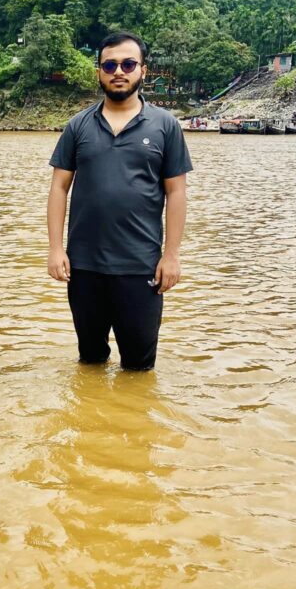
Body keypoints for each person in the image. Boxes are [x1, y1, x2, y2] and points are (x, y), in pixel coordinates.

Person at [47, 31, 193, 371]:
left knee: (139, 370)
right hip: (84, 268)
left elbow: (177, 192)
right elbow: (58, 188)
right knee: (90, 362)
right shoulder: (78, 126)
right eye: (109, 64)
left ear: (142, 70)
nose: (119, 71)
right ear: (98, 71)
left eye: (128, 64)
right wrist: (56, 249)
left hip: (141, 267)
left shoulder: (165, 126)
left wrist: (171, 256)